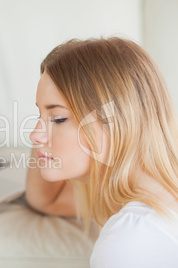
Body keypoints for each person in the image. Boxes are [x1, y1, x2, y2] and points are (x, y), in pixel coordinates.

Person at [25, 37, 178, 267]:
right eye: (39, 115)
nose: (33, 136)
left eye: (58, 118)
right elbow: (47, 199)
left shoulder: (129, 240)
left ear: (115, 124)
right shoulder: (154, 185)